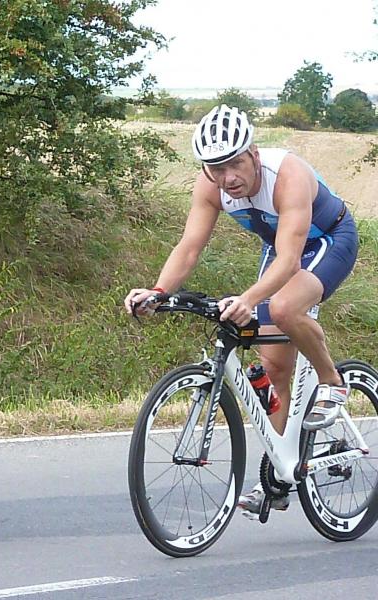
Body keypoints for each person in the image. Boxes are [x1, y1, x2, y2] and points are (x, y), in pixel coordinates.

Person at [124, 104, 358, 515]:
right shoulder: (210, 186)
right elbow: (190, 248)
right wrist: (158, 291)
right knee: (274, 369)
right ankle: (279, 475)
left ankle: (331, 381)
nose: (228, 177)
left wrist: (249, 299)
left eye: (235, 164)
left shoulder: (287, 174)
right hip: (280, 248)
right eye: (216, 168)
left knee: (284, 308)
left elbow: (290, 261)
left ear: (253, 153)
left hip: (329, 240)